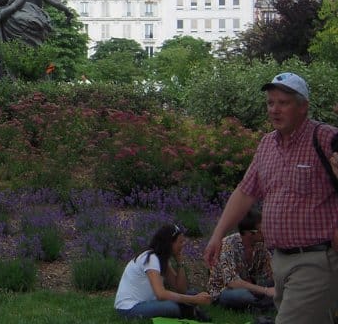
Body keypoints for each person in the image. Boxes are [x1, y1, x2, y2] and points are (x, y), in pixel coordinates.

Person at [204, 72, 338, 324]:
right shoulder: (267, 144)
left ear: (303, 106)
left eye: (283, 103)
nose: (274, 109)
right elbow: (245, 192)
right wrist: (217, 235)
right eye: (270, 102)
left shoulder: (325, 138)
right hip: (279, 261)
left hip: (316, 260)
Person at [115, 224, 212, 320]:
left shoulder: (162, 260)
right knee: (173, 307)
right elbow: (161, 294)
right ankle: (191, 311)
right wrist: (193, 300)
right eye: (180, 242)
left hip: (149, 302)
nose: (183, 245)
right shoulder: (151, 258)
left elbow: (181, 289)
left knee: (191, 293)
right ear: (170, 243)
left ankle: (189, 309)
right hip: (129, 308)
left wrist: (179, 261)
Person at [207, 209, 275, 312]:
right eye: (262, 230)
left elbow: (272, 271)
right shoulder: (228, 245)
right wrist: (265, 291)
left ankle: (261, 305)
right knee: (241, 296)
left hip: (252, 287)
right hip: (226, 290)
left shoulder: (260, 245)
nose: (266, 233)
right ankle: (265, 305)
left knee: (280, 283)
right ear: (249, 233)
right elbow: (232, 283)